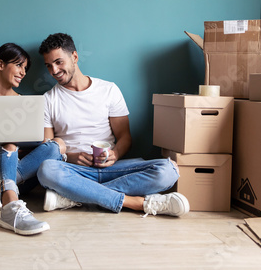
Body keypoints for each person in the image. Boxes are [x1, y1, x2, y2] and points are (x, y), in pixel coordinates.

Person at [36, 33, 190, 217]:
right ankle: (135, 203)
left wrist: (115, 154)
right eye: (48, 66)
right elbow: (48, 149)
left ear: (75, 57)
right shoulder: (48, 99)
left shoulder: (108, 90)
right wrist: (71, 157)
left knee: (169, 170)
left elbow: (125, 137)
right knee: (46, 169)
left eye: (59, 62)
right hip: (74, 171)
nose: (54, 70)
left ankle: (74, 198)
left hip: (113, 169)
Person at [0, 43, 65, 235]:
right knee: (9, 144)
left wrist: (30, 146)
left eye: (25, 68)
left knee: (55, 146)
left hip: (12, 171)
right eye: (19, 65)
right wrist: (1, 145)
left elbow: (32, 149)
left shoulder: (25, 104)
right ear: (0, 65)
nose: (23, 72)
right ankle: (10, 209)